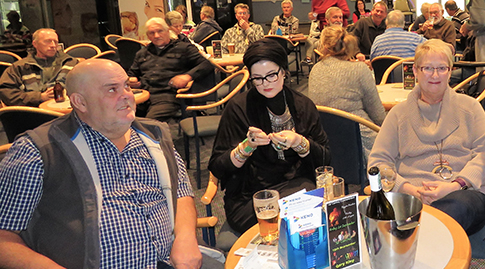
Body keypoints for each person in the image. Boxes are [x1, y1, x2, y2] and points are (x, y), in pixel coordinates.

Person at [0, 59, 218, 268]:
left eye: (127, 86)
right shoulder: (38, 151)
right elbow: (4, 238)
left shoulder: (155, 135)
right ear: (80, 102)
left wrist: (186, 238)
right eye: (112, 89)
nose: (127, 96)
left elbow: (181, 193)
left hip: (170, 261)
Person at [368, 39, 485, 235]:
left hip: (464, 194)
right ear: (415, 71)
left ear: (450, 71)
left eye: (442, 68)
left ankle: (415, 233)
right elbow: (378, 163)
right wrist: (410, 190)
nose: (435, 75)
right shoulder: (398, 115)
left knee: (455, 208)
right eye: (428, 68)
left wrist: (455, 185)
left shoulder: (470, 108)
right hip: (410, 197)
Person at [208, 38, 331, 243]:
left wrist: (299, 142)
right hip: (250, 197)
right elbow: (217, 167)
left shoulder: (303, 105)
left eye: (271, 75)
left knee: (306, 210)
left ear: (284, 71)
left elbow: (325, 159)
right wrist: (246, 147)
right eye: (257, 79)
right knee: (303, 215)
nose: (265, 83)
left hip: (295, 185)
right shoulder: (238, 108)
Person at [309, 26, 386, 156]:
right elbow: (378, 116)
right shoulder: (360, 69)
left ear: (324, 46)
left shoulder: (315, 69)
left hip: (324, 141)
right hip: (360, 140)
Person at [128, 17, 212, 122]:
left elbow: (206, 64)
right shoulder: (142, 53)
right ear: (148, 35)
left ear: (168, 31)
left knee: (149, 123)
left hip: (168, 96)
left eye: (160, 31)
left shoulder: (184, 48)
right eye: (152, 33)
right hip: (144, 94)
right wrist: (132, 80)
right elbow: (132, 74)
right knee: (121, 118)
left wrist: (188, 76)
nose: (156, 36)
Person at [0, 28, 78, 107]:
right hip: (32, 111)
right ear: (35, 44)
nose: (53, 45)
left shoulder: (70, 63)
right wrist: (39, 97)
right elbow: (6, 93)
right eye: (47, 41)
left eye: (55, 42)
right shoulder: (19, 67)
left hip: (65, 110)